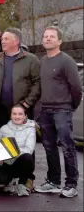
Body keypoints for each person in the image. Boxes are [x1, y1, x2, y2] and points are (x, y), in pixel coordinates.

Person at [35, 26, 82, 198]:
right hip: (45, 110)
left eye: (52, 37)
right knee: (49, 147)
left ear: (59, 41)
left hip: (62, 109)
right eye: (45, 36)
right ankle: (53, 182)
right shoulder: (43, 61)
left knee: (67, 146)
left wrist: (70, 106)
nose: (47, 39)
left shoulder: (66, 61)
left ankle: (71, 184)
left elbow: (76, 88)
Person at [0, 28, 40, 141]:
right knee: (1, 143)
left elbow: (38, 82)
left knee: (23, 143)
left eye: (6, 39)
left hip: (22, 110)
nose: (2, 41)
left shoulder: (31, 59)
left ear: (16, 41)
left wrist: (27, 103)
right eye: (2, 39)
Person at [0, 105, 36, 197]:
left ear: (25, 116)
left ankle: (22, 183)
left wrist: (9, 151)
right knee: (0, 182)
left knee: (27, 157)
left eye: (20, 114)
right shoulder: (4, 128)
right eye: (14, 114)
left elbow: (29, 149)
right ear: (10, 116)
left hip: (20, 162)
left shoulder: (30, 129)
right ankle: (8, 182)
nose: (17, 117)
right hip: (5, 163)